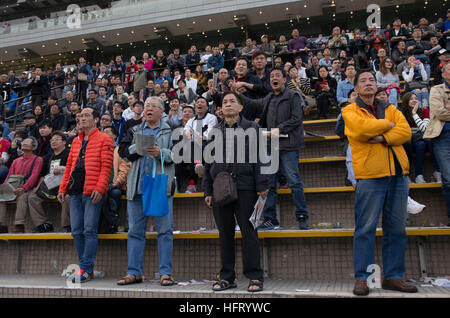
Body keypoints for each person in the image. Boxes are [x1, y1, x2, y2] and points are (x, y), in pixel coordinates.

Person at [342, 70, 417, 296]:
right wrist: (389, 125)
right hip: (370, 176)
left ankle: (393, 276)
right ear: (355, 88)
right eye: (363, 81)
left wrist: (383, 136)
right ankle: (362, 278)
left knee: (397, 230)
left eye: (372, 80)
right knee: (365, 229)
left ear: (377, 86)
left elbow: (406, 133)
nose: (368, 83)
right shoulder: (349, 110)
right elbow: (361, 130)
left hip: (397, 175)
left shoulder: (392, 108)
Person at [203, 91, 269, 293]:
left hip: (246, 187)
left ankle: (255, 276)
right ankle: (227, 277)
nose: (228, 104)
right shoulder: (214, 131)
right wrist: (207, 190)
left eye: (233, 101)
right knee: (225, 234)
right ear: (220, 109)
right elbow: (207, 164)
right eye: (224, 102)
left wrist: (262, 185)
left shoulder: (252, 127)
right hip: (220, 189)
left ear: (241, 107)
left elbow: (261, 157)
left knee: (249, 233)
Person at [234, 67, 308, 230]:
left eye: (278, 76)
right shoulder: (268, 97)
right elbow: (252, 103)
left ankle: (302, 216)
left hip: (288, 145)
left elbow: (297, 118)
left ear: (284, 80)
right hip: (270, 145)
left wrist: (280, 129)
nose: (274, 78)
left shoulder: (292, 95)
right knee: (269, 183)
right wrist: (237, 94)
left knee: (294, 181)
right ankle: (270, 219)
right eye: (272, 76)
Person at [117, 96, 176, 287]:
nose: (149, 109)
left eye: (153, 106)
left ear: (161, 111)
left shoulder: (172, 129)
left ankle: (165, 273)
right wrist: (139, 147)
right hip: (137, 186)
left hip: (159, 186)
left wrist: (162, 154)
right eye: (147, 106)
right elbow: (123, 151)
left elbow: (179, 154)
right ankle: (134, 272)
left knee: (165, 231)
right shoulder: (133, 129)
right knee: (135, 231)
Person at [57, 107, 114, 283]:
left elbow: (106, 167)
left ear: (96, 120)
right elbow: (69, 167)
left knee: (89, 229)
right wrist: (62, 188)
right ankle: (84, 268)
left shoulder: (105, 139)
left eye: (86, 115)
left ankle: (86, 269)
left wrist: (101, 187)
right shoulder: (75, 141)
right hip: (75, 191)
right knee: (76, 231)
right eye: (80, 116)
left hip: (92, 191)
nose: (82, 119)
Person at [28, 131, 71, 233]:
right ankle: (42, 224)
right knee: (32, 197)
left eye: (56, 139)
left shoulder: (69, 154)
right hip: (51, 186)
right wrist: (37, 188)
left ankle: (67, 225)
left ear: (64, 142)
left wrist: (62, 169)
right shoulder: (48, 157)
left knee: (68, 198)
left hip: (66, 186)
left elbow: (74, 169)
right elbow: (43, 175)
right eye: (52, 140)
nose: (53, 142)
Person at [424, 63, 450, 226]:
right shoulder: (436, 89)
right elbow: (439, 111)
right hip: (443, 136)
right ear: (444, 73)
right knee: (448, 179)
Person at [0, 136, 43, 233]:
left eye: (27, 143)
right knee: (0, 195)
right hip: (13, 185)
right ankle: (1, 224)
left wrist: (24, 188)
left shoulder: (38, 159)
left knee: (22, 196)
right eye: (23, 142)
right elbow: (9, 176)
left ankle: (19, 225)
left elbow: (34, 176)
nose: (24, 144)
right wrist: (5, 186)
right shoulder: (16, 161)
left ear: (33, 147)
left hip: (26, 187)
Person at [400, 92, 440, 184]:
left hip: (421, 141)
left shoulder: (425, 111)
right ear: (406, 101)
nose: (414, 100)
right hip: (408, 141)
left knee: (421, 145)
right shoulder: (401, 114)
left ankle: (419, 175)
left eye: (415, 98)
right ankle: (407, 175)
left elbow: (424, 128)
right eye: (411, 99)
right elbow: (403, 131)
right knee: (408, 142)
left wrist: (414, 113)